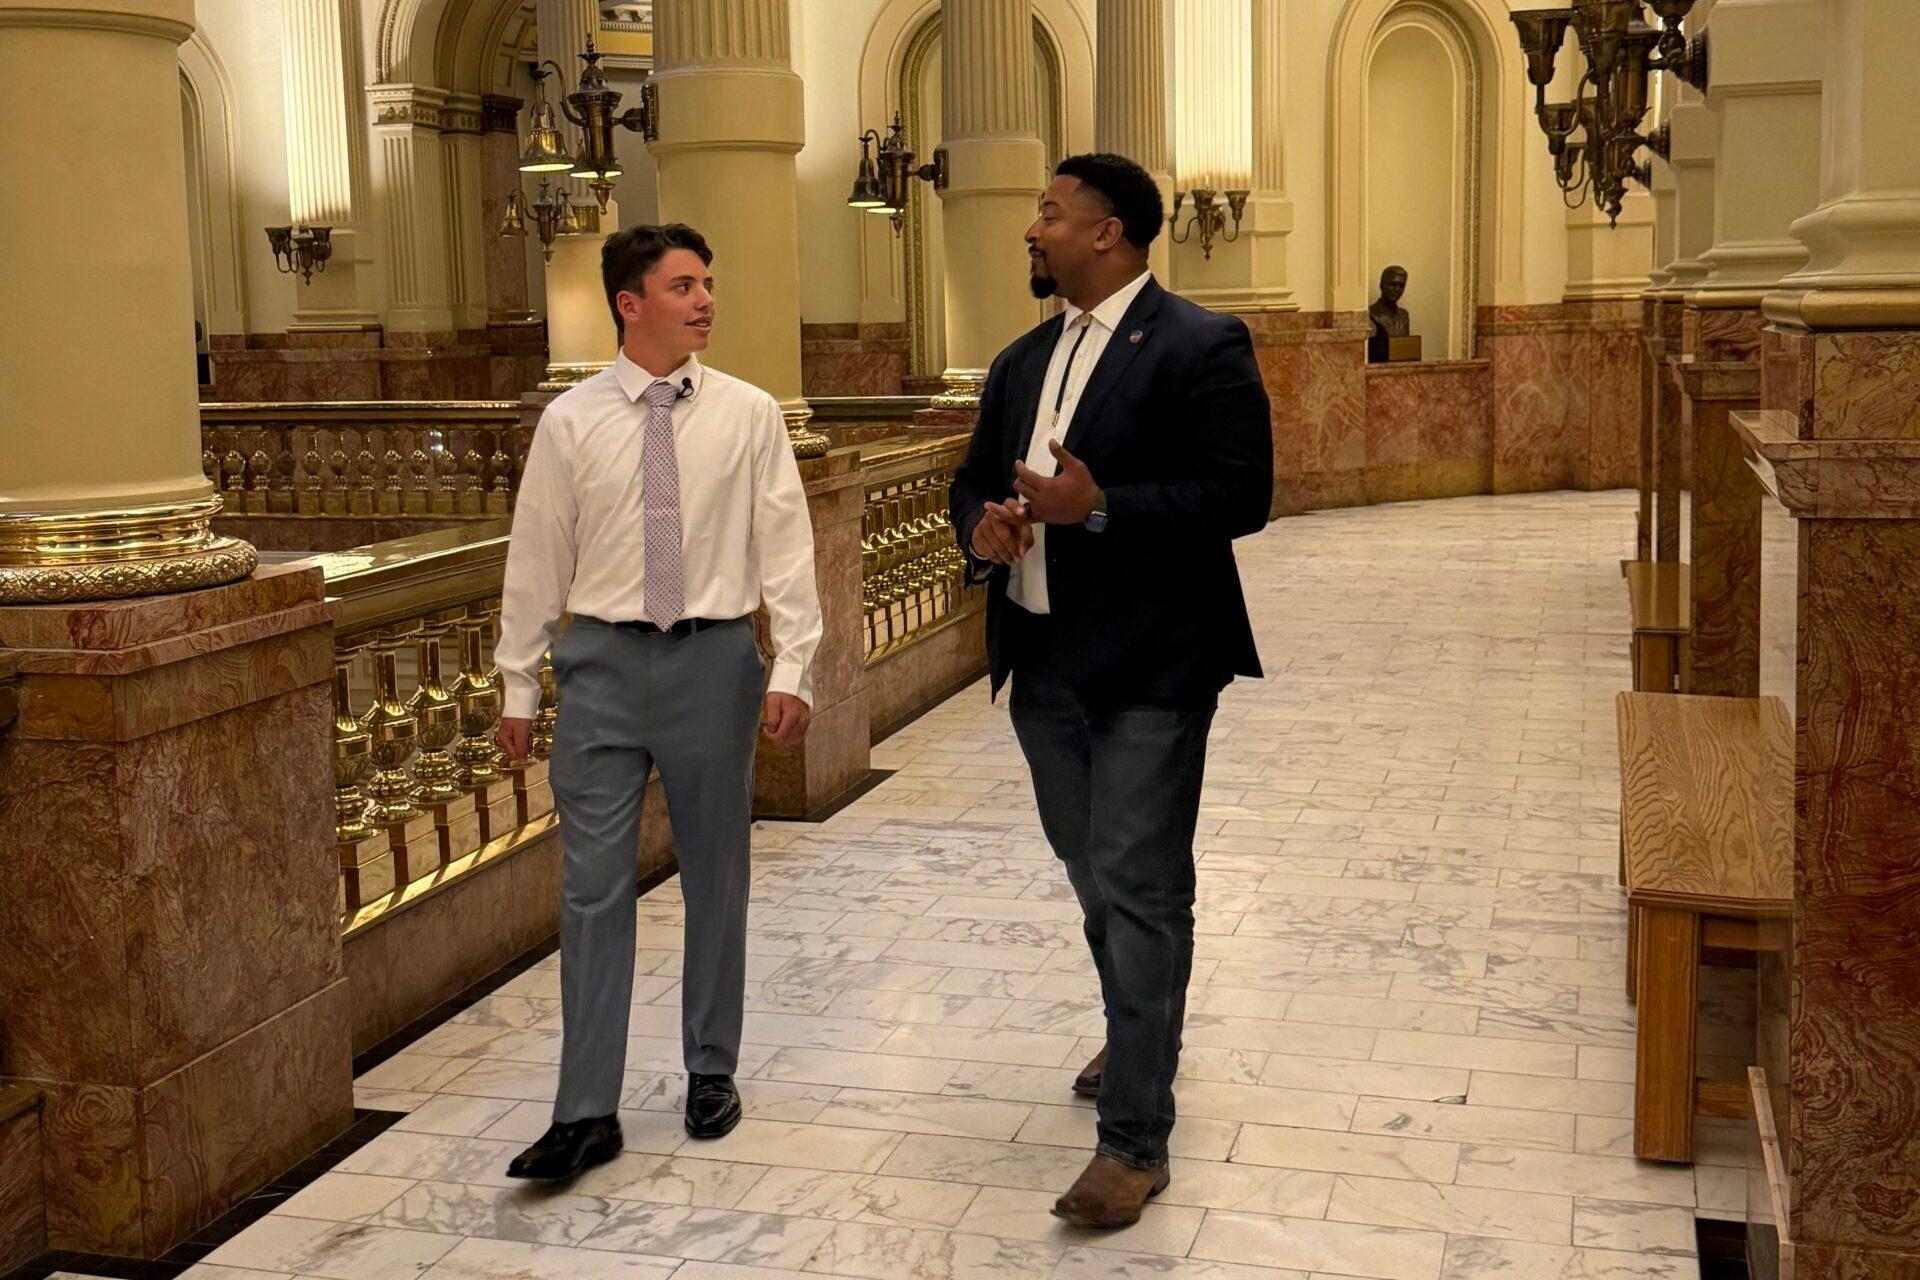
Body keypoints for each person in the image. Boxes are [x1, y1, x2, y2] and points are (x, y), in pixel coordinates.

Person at [948, 153, 1273, 1229]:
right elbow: (968, 485)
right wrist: (986, 531)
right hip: (1043, 666)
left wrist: (1099, 507)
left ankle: (1134, 1137)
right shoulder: (1020, 358)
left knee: (1139, 884)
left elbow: (1241, 494)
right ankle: (1141, 1027)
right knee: (1094, 874)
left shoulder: (1199, 343)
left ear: (1109, 232)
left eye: (1048, 211)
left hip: (1153, 665)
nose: (1031, 228)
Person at [492, 222, 822, 1181]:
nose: (706, 300)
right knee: (591, 891)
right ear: (630, 305)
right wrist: (519, 676)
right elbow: (536, 555)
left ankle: (709, 1068)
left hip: (712, 660)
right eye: (684, 286)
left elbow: (786, 545)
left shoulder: (750, 413)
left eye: (708, 283)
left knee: (717, 872)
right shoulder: (571, 421)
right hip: (597, 664)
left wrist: (793, 664)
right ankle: (586, 1109)